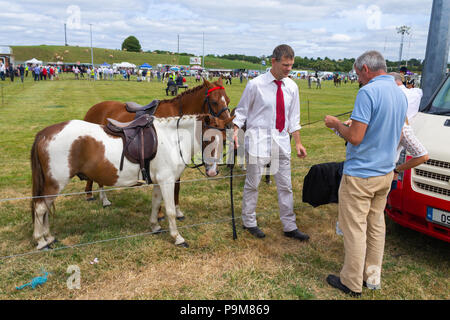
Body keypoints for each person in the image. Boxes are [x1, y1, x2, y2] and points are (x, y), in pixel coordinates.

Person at [324, 50, 407, 297]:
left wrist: (336, 125)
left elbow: (356, 138)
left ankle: (351, 282)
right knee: (376, 227)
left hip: (361, 175)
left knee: (355, 229)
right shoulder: (399, 93)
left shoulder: (367, 92)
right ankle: (372, 277)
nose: (358, 78)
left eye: (358, 73)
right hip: (385, 172)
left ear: (366, 70)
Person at [232, 44, 309, 241]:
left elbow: (294, 119)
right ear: (273, 61)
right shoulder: (255, 84)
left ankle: (289, 225)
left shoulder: (292, 87)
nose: (288, 69)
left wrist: (298, 143)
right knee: (253, 184)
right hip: (258, 140)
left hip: (282, 141)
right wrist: (233, 131)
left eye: (291, 65)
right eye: (285, 65)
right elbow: (241, 112)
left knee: (286, 186)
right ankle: (249, 221)